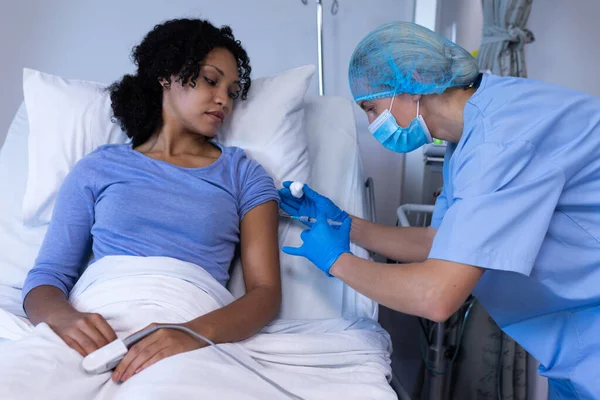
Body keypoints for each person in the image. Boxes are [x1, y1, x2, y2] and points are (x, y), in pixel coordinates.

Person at [280, 21, 600, 399]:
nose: (373, 124)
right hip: (576, 347)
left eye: (372, 108)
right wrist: (345, 224)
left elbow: (437, 295)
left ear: (413, 81)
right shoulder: (468, 134)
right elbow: (440, 241)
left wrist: (337, 261)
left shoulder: (499, 140)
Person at [5, 17, 281, 390]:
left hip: (188, 323)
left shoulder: (244, 175)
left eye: (232, 92)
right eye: (211, 80)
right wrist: (65, 320)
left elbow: (265, 294)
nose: (223, 100)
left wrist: (190, 334)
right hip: (93, 322)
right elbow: (46, 278)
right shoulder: (98, 167)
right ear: (167, 76)